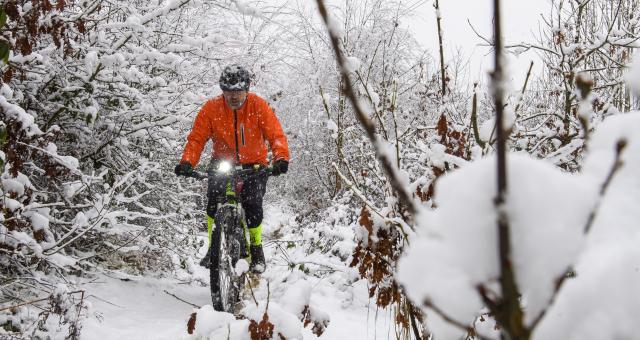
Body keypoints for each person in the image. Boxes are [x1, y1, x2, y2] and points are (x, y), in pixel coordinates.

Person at [174, 64, 290, 274]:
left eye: (238, 91)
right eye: (229, 91)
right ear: (223, 91)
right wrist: (187, 162)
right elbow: (197, 138)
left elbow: (275, 134)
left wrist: (281, 158)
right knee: (212, 203)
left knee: (253, 205)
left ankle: (256, 248)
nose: (234, 96)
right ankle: (213, 247)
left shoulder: (258, 106)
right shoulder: (212, 108)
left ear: (246, 89)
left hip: (254, 164)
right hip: (222, 162)